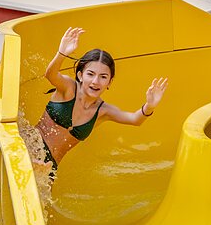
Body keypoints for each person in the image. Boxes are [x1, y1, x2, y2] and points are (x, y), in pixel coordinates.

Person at [33, 26, 169, 179]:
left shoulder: (103, 111)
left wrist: (149, 106)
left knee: (43, 200)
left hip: (50, 167)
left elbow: (135, 119)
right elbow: (50, 75)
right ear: (80, 75)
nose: (96, 81)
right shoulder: (69, 88)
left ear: (109, 82)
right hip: (32, 146)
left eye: (103, 77)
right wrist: (62, 53)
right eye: (90, 74)